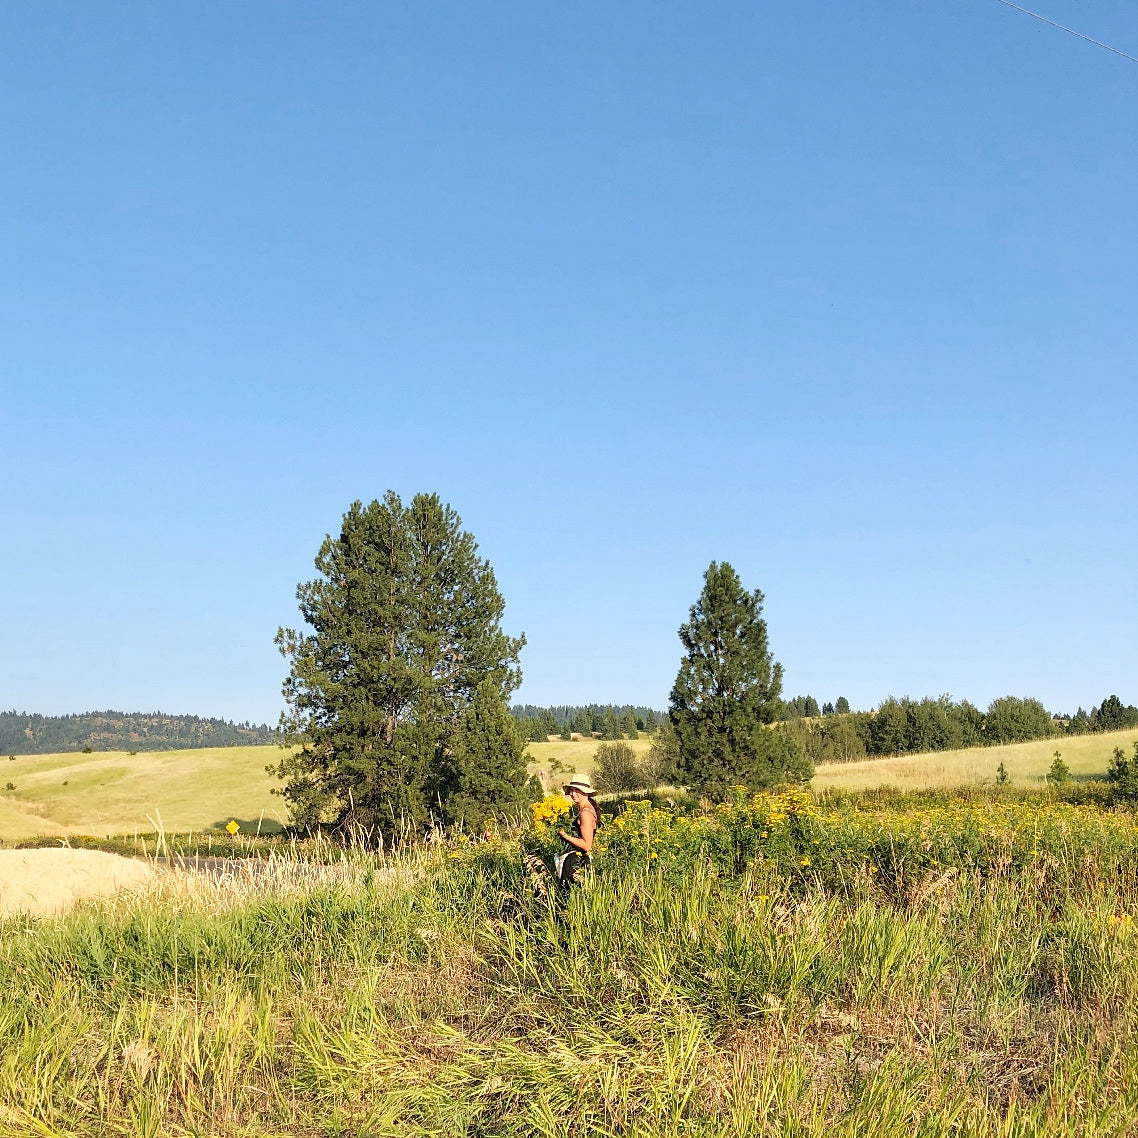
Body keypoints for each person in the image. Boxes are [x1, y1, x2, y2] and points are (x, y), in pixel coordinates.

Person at [556, 776, 600, 887]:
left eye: (577, 790)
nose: (573, 793)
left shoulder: (585, 813)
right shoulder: (585, 809)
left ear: (586, 792)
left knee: (571, 894)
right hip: (578, 859)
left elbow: (587, 846)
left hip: (578, 861)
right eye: (571, 790)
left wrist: (564, 835)